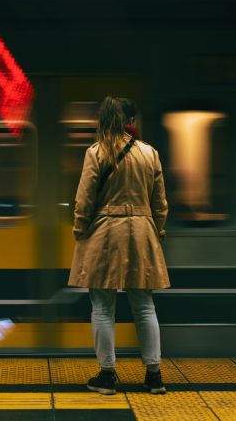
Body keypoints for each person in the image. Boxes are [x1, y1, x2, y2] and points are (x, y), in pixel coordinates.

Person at [68, 96, 170, 395]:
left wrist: (80, 228)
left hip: (105, 232)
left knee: (102, 307)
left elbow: (84, 197)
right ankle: (154, 375)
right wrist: (158, 230)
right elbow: (160, 203)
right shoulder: (149, 153)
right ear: (132, 122)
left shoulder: (97, 152)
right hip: (142, 231)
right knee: (144, 306)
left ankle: (107, 375)